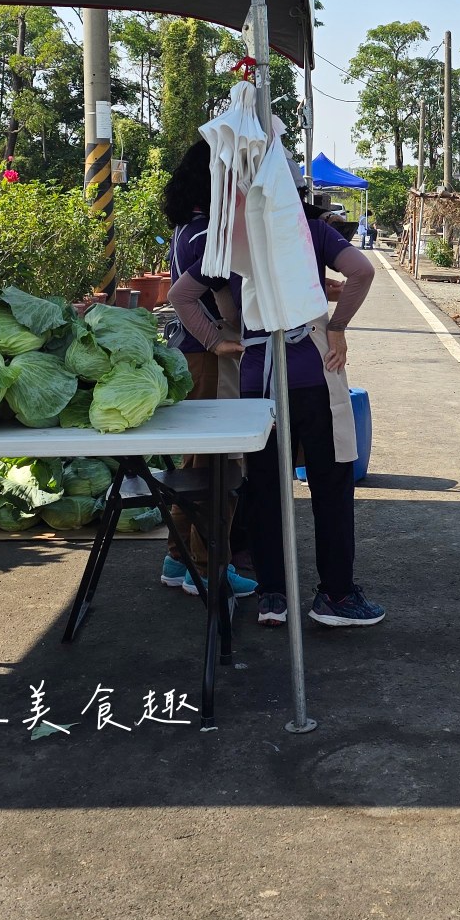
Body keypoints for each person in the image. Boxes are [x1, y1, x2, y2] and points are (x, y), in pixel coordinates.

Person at [169, 158, 382, 629]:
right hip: (316, 378)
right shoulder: (312, 231)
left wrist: (216, 341)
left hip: (257, 384)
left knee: (265, 490)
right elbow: (362, 272)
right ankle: (336, 596)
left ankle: (272, 596)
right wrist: (339, 327)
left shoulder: (232, 240)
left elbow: (180, 296)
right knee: (330, 487)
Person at [158, 142, 257, 601]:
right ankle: (208, 566)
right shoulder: (207, 236)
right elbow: (182, 296)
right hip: (208, 358)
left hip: (190, 356)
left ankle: (177, 559)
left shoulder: (187, 228)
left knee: (196, 464)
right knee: (220, 469)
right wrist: (218, 341)